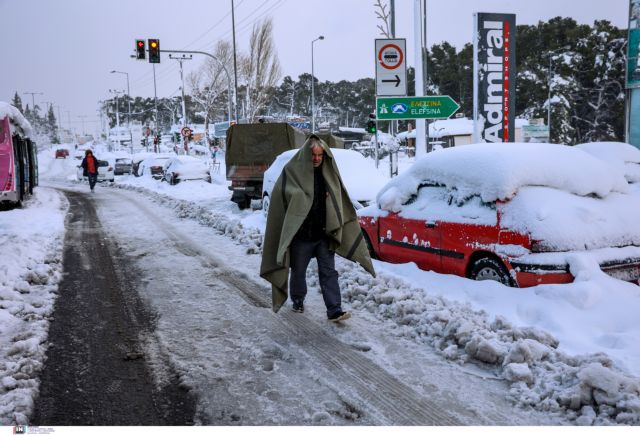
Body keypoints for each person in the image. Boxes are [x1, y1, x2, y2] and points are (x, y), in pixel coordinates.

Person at [260, 136, 375, 322]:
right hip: (302, 235)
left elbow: (339, 199)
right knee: (298, 271)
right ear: (306, 154)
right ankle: (298, 300)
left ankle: (334, 310)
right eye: (313, 155)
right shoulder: (292, 172)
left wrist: (331, 200)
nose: (316, 159)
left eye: (320, 155)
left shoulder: (328, 174)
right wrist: (298, 198)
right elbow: (280, 198)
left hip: (324, 234)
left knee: (329, 272)